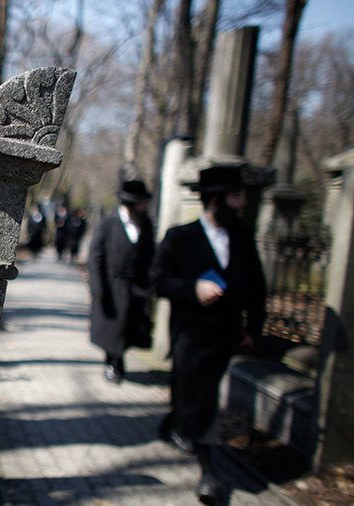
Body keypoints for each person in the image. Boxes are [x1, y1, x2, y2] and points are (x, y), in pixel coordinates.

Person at [150, 166, 266, 504]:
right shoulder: (180, 237)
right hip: (189, 335)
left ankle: (175, 424)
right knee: (202, 400)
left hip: (226, 337)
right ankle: (209, 472)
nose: (242, 203)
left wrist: (253, 330)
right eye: (236, 196)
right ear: (215, 200)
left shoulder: (243, 237)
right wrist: (193, 288)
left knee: (197, 394)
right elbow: (158, 282)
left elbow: (257, 288)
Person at [88, 181, 155, 384]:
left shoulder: (146, 225)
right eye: (141, 203)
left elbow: (150, 255)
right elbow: (95, 256)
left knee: (129, 327)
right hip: (112, 286)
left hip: (136, 287)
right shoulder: (108, 224)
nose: (145, 207)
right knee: (113, 328)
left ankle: (118, 359)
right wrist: (97, 286)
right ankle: (112, 363)